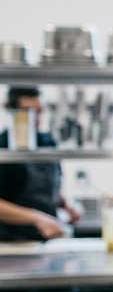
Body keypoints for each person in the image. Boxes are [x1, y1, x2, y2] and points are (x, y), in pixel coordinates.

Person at [0, 86, 83, 241]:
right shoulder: (3, 148)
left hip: (46, 240)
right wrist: (36, 218)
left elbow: (52, 187)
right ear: (11, 110)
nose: (36, 118)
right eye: (28, 112)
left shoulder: (47, 143)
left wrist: (67, 204)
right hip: (11, 241)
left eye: (39, 112)